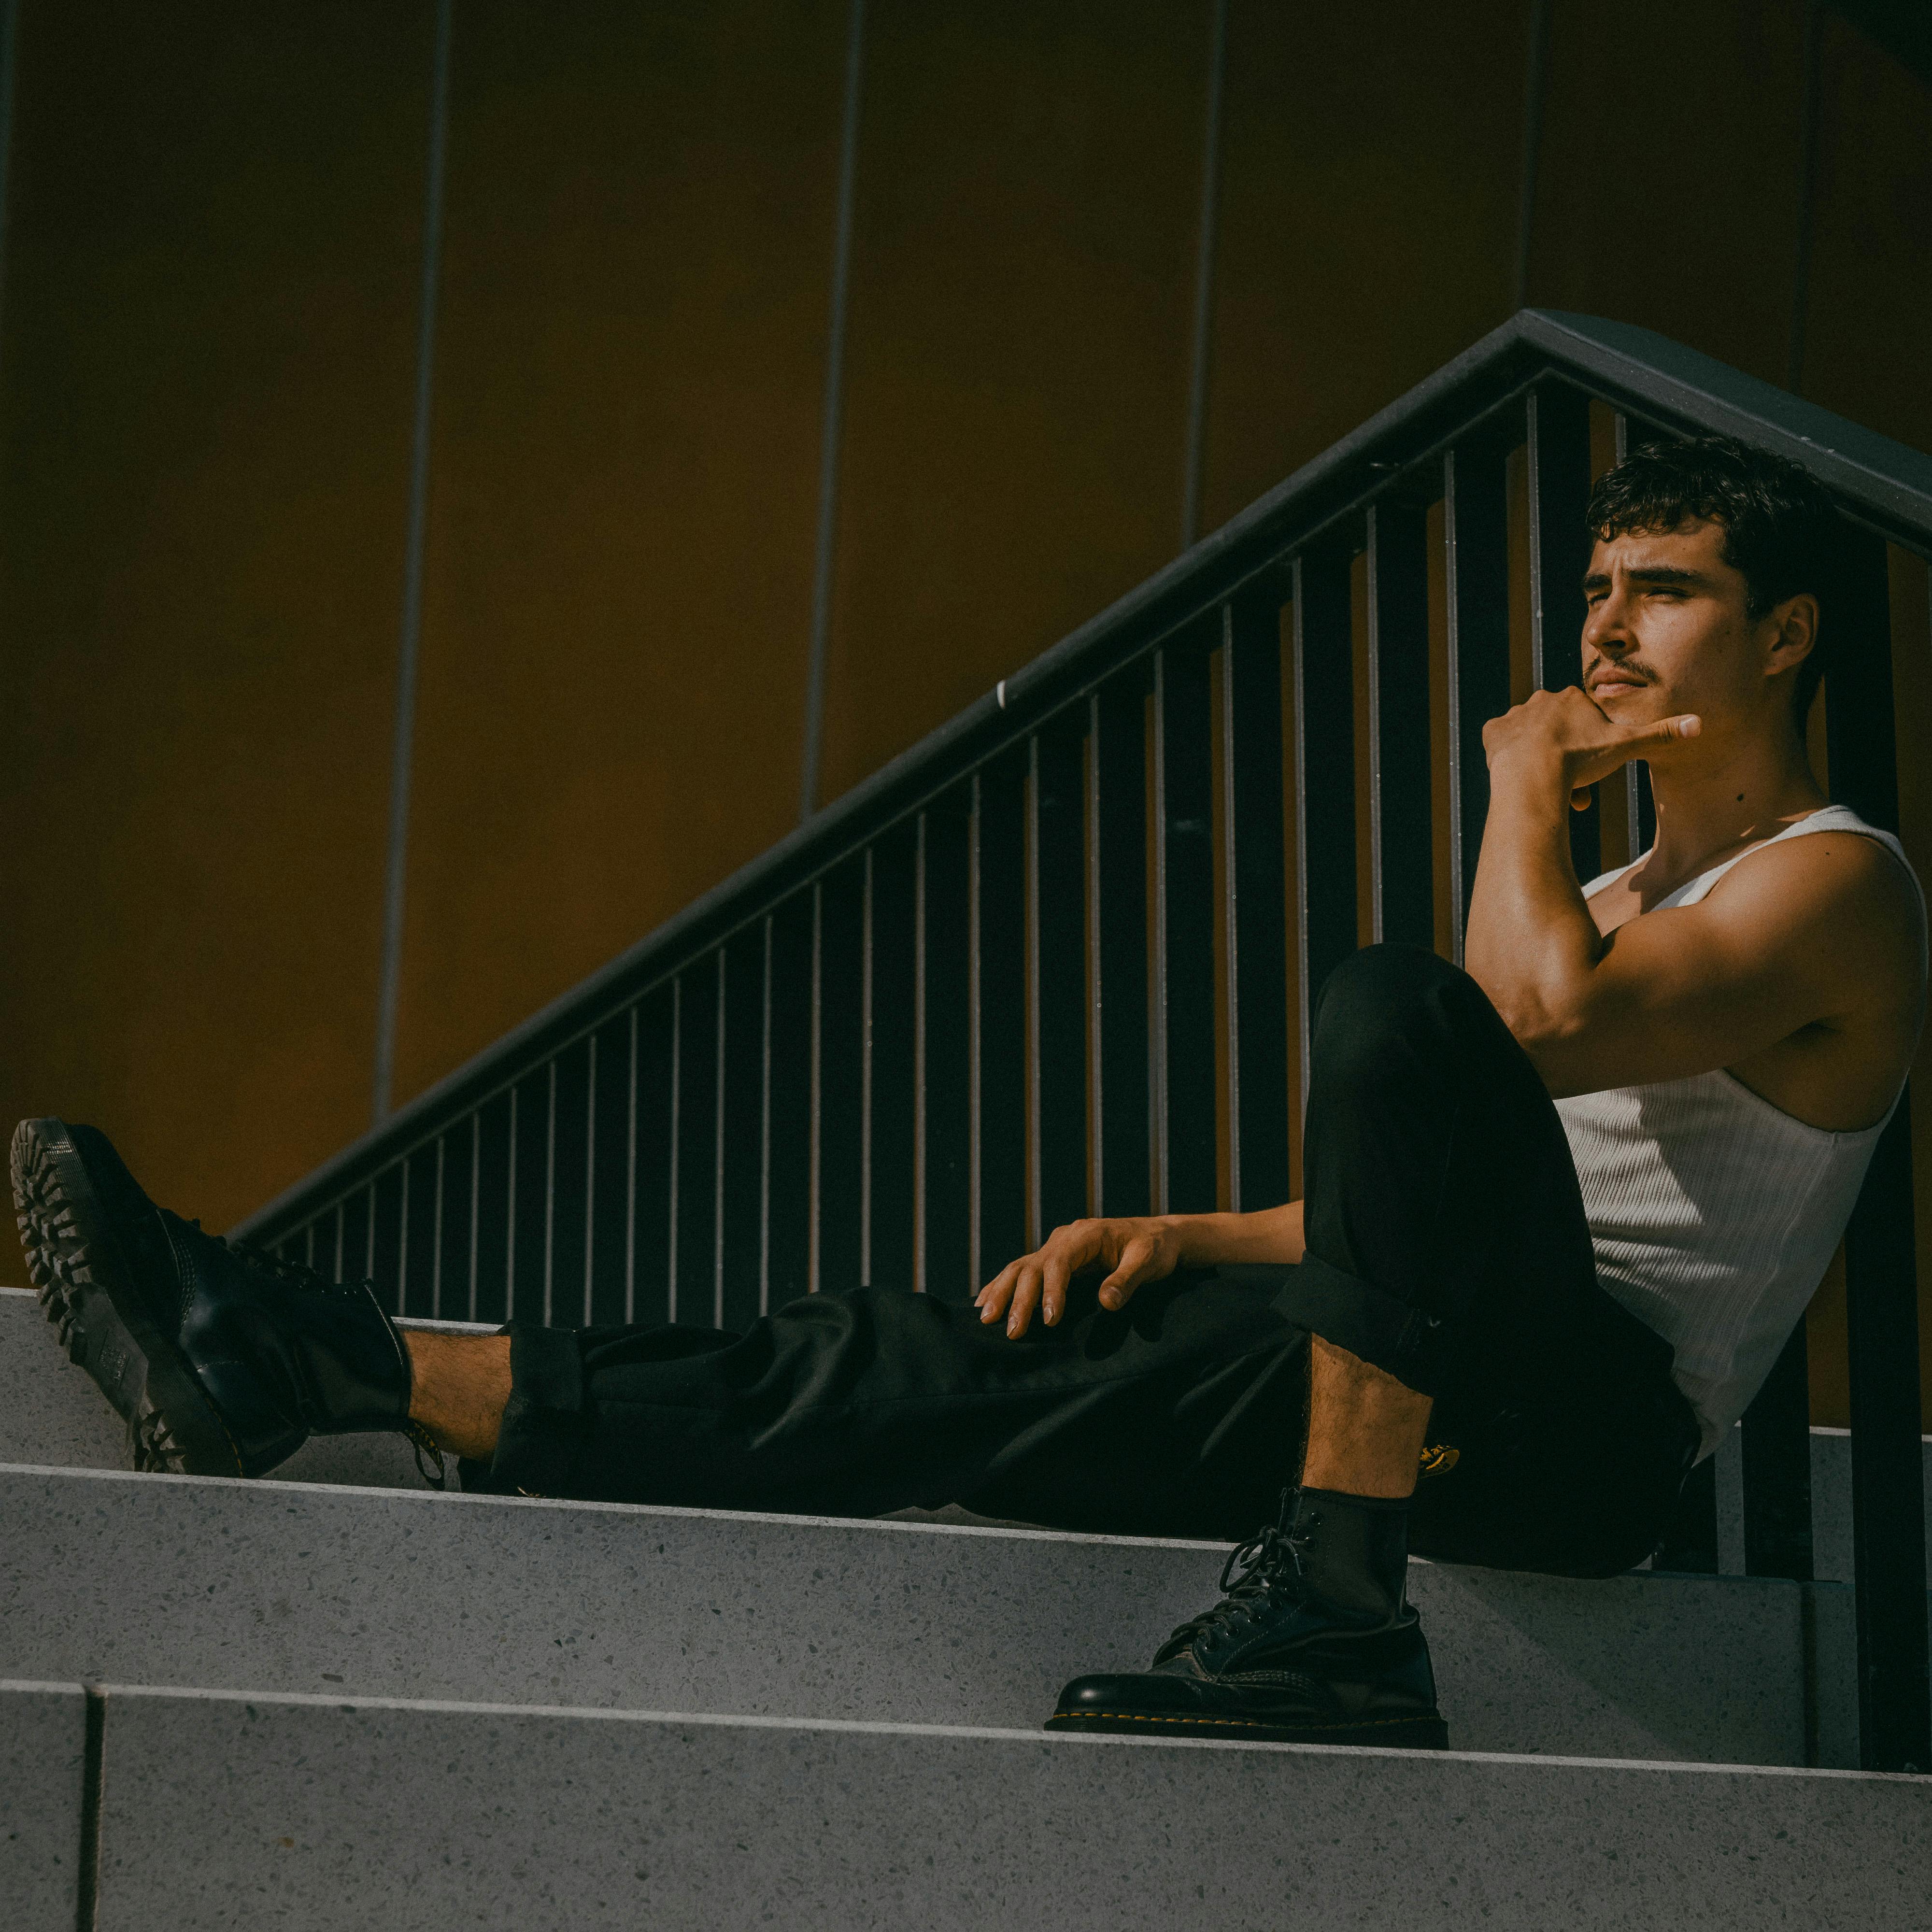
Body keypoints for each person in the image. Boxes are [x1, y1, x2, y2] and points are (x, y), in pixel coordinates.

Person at [13, 434, 1924, 1754]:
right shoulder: (1600, 900)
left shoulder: (1836, 885)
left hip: (1584, 1438)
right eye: (1592, 588)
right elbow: (1446, 1181)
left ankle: (1338, 1604)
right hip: (1439, 1375)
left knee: (1388, 1008)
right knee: (919, 1364)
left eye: (1658, 594)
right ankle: (327, 1361)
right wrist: (1184, 1234)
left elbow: (1509, 1031)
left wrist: (1515, 780)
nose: (1598, 631)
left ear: (1782, 633)